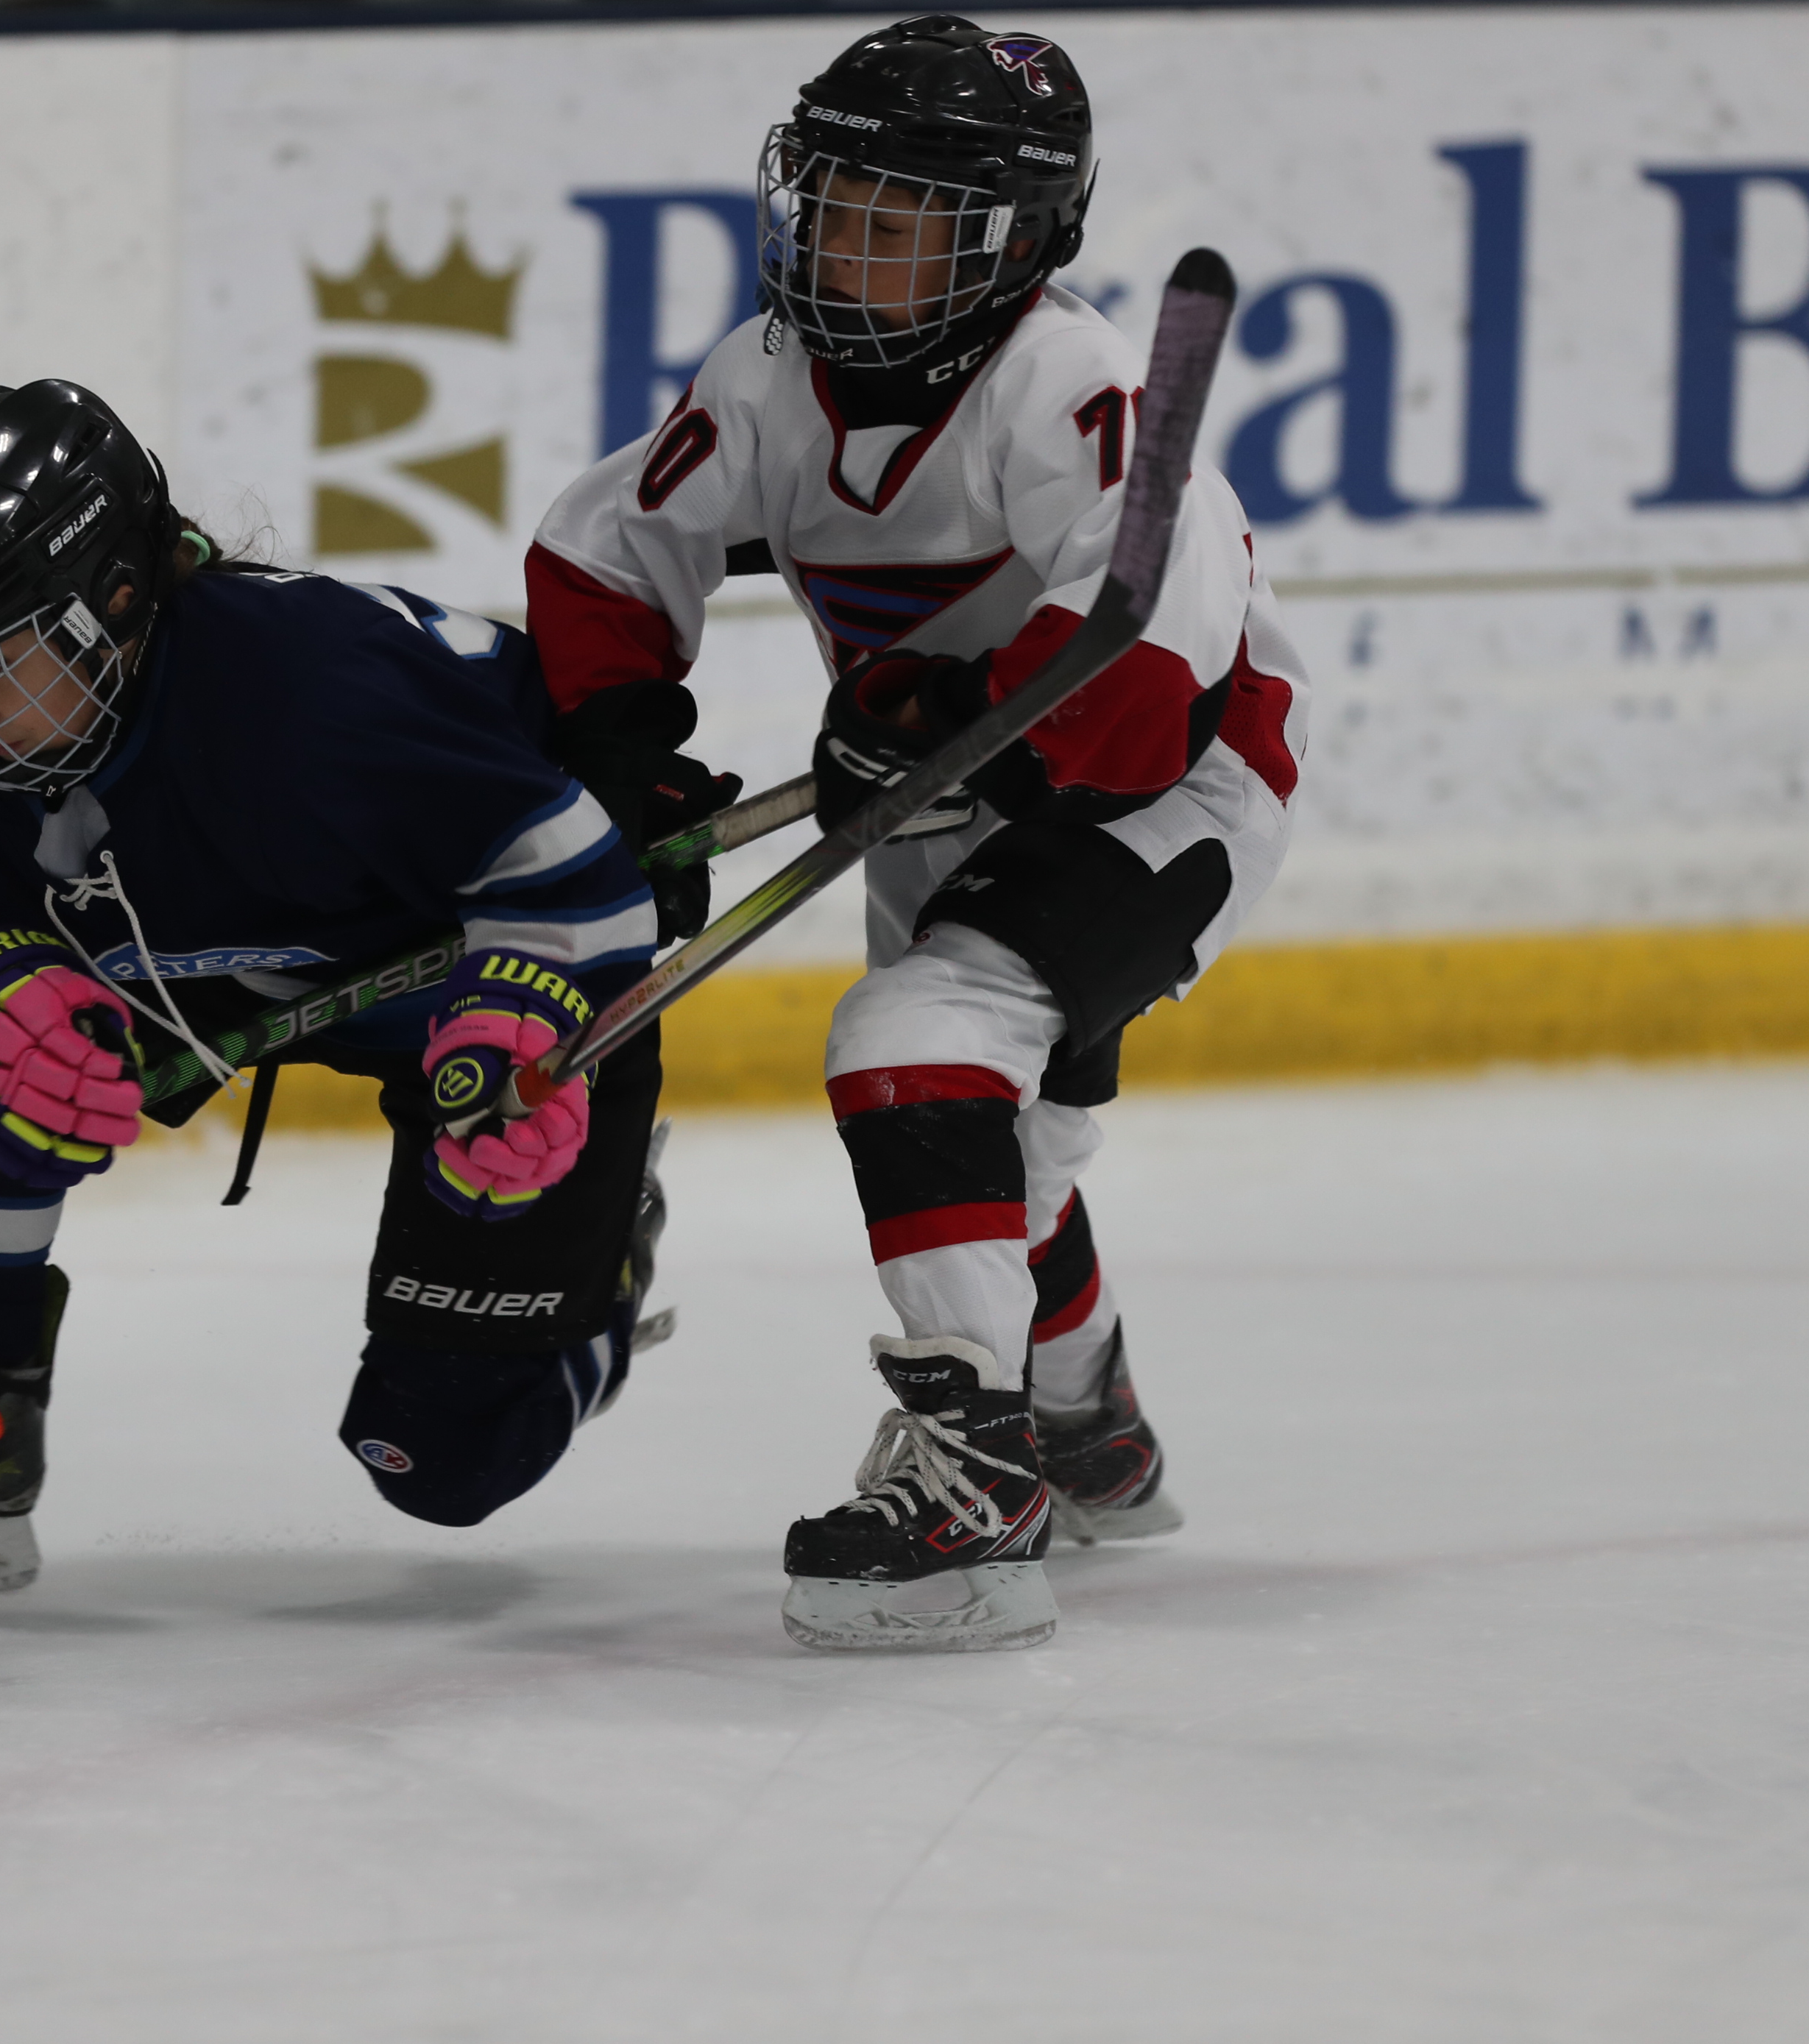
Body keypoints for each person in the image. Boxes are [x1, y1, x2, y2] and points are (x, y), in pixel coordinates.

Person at [525, 15, 1309, 1651]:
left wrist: (949, 716)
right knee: (1005, 1155)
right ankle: (1086, 1427)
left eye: (904, 221)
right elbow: (606, 552)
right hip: (945, 793)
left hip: (1172, 786)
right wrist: (623, 749)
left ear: (1017, 244)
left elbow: (1149, 678)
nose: (846, 245)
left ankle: (979, 1479)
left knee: (913, 1043)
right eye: (834, 201)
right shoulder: (763, 379)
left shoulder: (1073, 389)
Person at [0, 378, 690, 1594]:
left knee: (439, 1457)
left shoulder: (312, 693)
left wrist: (525, 1021)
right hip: (196, 963)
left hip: (462, 988)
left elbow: (579, 880)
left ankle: (603, 1264)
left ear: (116, 605)